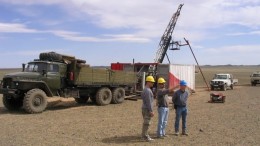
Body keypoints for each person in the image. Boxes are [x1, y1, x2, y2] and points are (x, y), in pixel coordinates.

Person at [141, 75, 155, 142]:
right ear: (148, 82)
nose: (153, 83)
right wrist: (151, 111)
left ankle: (144, 135)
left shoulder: (145, 89)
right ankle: (145, 136)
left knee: (146, 123)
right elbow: (149, 102)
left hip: (145, 108)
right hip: (147, 109)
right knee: (147, 123)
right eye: (152, 82)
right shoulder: (148, 91)